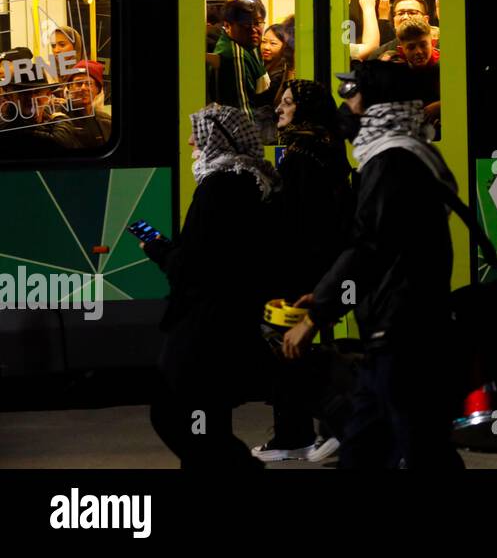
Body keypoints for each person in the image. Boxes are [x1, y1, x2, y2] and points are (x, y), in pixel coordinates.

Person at [282, 60, 461, 469]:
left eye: (353, 93)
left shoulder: (391, 160)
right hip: (395, 329)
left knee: (418, 449)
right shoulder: (402, 154)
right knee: (369, 446)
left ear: (378, 101)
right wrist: (329, 293)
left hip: (402, 332)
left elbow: (369, 246)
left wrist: (316, 315)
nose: (346, 104)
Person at [144, 104, 280, 469]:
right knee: (207, 415)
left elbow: (191, 267)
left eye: (198, 133)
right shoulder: (251, 180)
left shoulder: (218, 187)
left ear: (216, 139)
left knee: (173, 412)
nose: (191, 141)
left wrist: (157, 249)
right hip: (231, 317)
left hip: (204, 323)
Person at [250, 80, 355, 463]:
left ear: (305, 111)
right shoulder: (324, 147)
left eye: (289, 103)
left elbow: (293, 220)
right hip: (317, 264)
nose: (280, 108)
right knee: (299, 348)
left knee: (288, 349)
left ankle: (314, 429)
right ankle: (307, 431)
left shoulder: (301, 155)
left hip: (296, 267)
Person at [210, 0, 270, 122]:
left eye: (258, 23)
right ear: (227, 26)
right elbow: (243, 113)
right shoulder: (236, 56)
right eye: (245, 24)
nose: (253, 29)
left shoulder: (250, 45)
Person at [364, 0, 432, 62]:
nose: (405, 17)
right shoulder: (379, 55)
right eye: (400, 13)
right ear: (394, 20)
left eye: (412, 13)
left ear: (425, 20)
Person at [61, 60, 111, 149]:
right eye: (78, 83)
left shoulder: (106, 122)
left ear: (97, 90)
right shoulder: (56, 118)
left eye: (88, 83)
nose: (83, 88)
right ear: (69, 87)